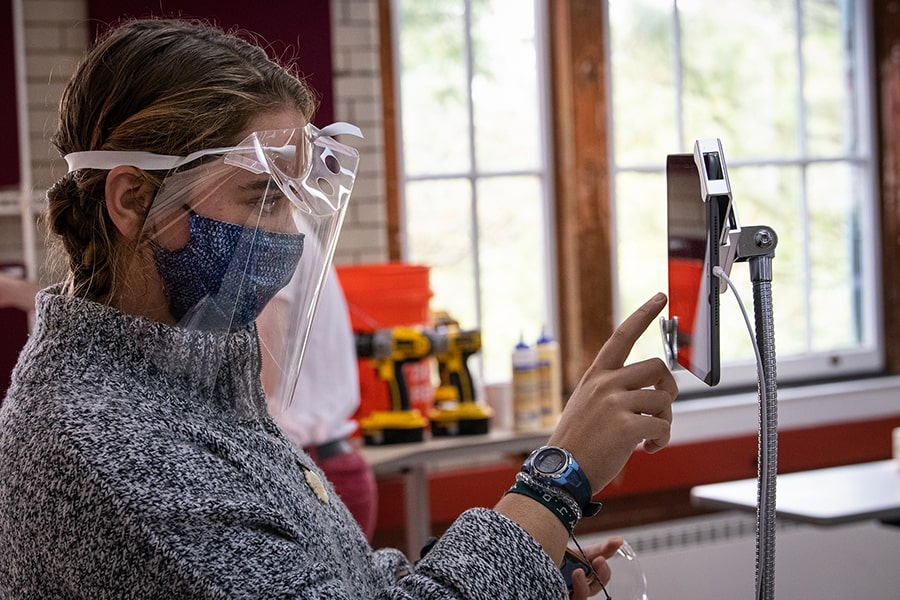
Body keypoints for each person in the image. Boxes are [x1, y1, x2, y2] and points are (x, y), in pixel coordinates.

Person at [0, 18, 677, 599]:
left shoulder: (186, 390)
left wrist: (528, 569)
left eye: (293, 200)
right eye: (263, 196)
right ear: (131, 200)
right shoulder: (107, 441)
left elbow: (339, 577)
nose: (289, 233)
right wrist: (555, 481)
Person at [259, 266, 379, 541]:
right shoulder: (302, 233)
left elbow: (260, 378)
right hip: (325, 465)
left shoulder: (279, 230)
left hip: (314, 473)